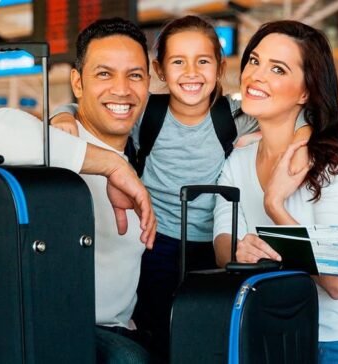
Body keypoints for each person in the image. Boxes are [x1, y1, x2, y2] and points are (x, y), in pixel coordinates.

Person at [48, 15, 310, 361]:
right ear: (159, 70)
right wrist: (62, 116)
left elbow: (292, 115)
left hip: (216, 246)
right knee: (156, 329)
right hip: (157, 243)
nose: (191, 72)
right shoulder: (147, 116)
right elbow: (89, 111)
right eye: (177, 62)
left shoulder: (235, 117)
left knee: (207, 333)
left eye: (203, 61)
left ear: (220, 68)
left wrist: (305, 134)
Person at [211, 21, 338, 363]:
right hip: (282, 337)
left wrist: (275, 206)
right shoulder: (237, 163)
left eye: (278, 69)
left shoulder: (335, 165)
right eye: (254, 60)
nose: (256, 75)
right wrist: (238, 250)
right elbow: (222, 242)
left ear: (305, 91)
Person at [0, 17, 156, 363]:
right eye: (104, 74)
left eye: (135, 75)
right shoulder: (57, 144)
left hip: (117, 328)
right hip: (51, 330)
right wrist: (110, 164)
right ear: (77, 82)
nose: (122, 89)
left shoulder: (145, 151)